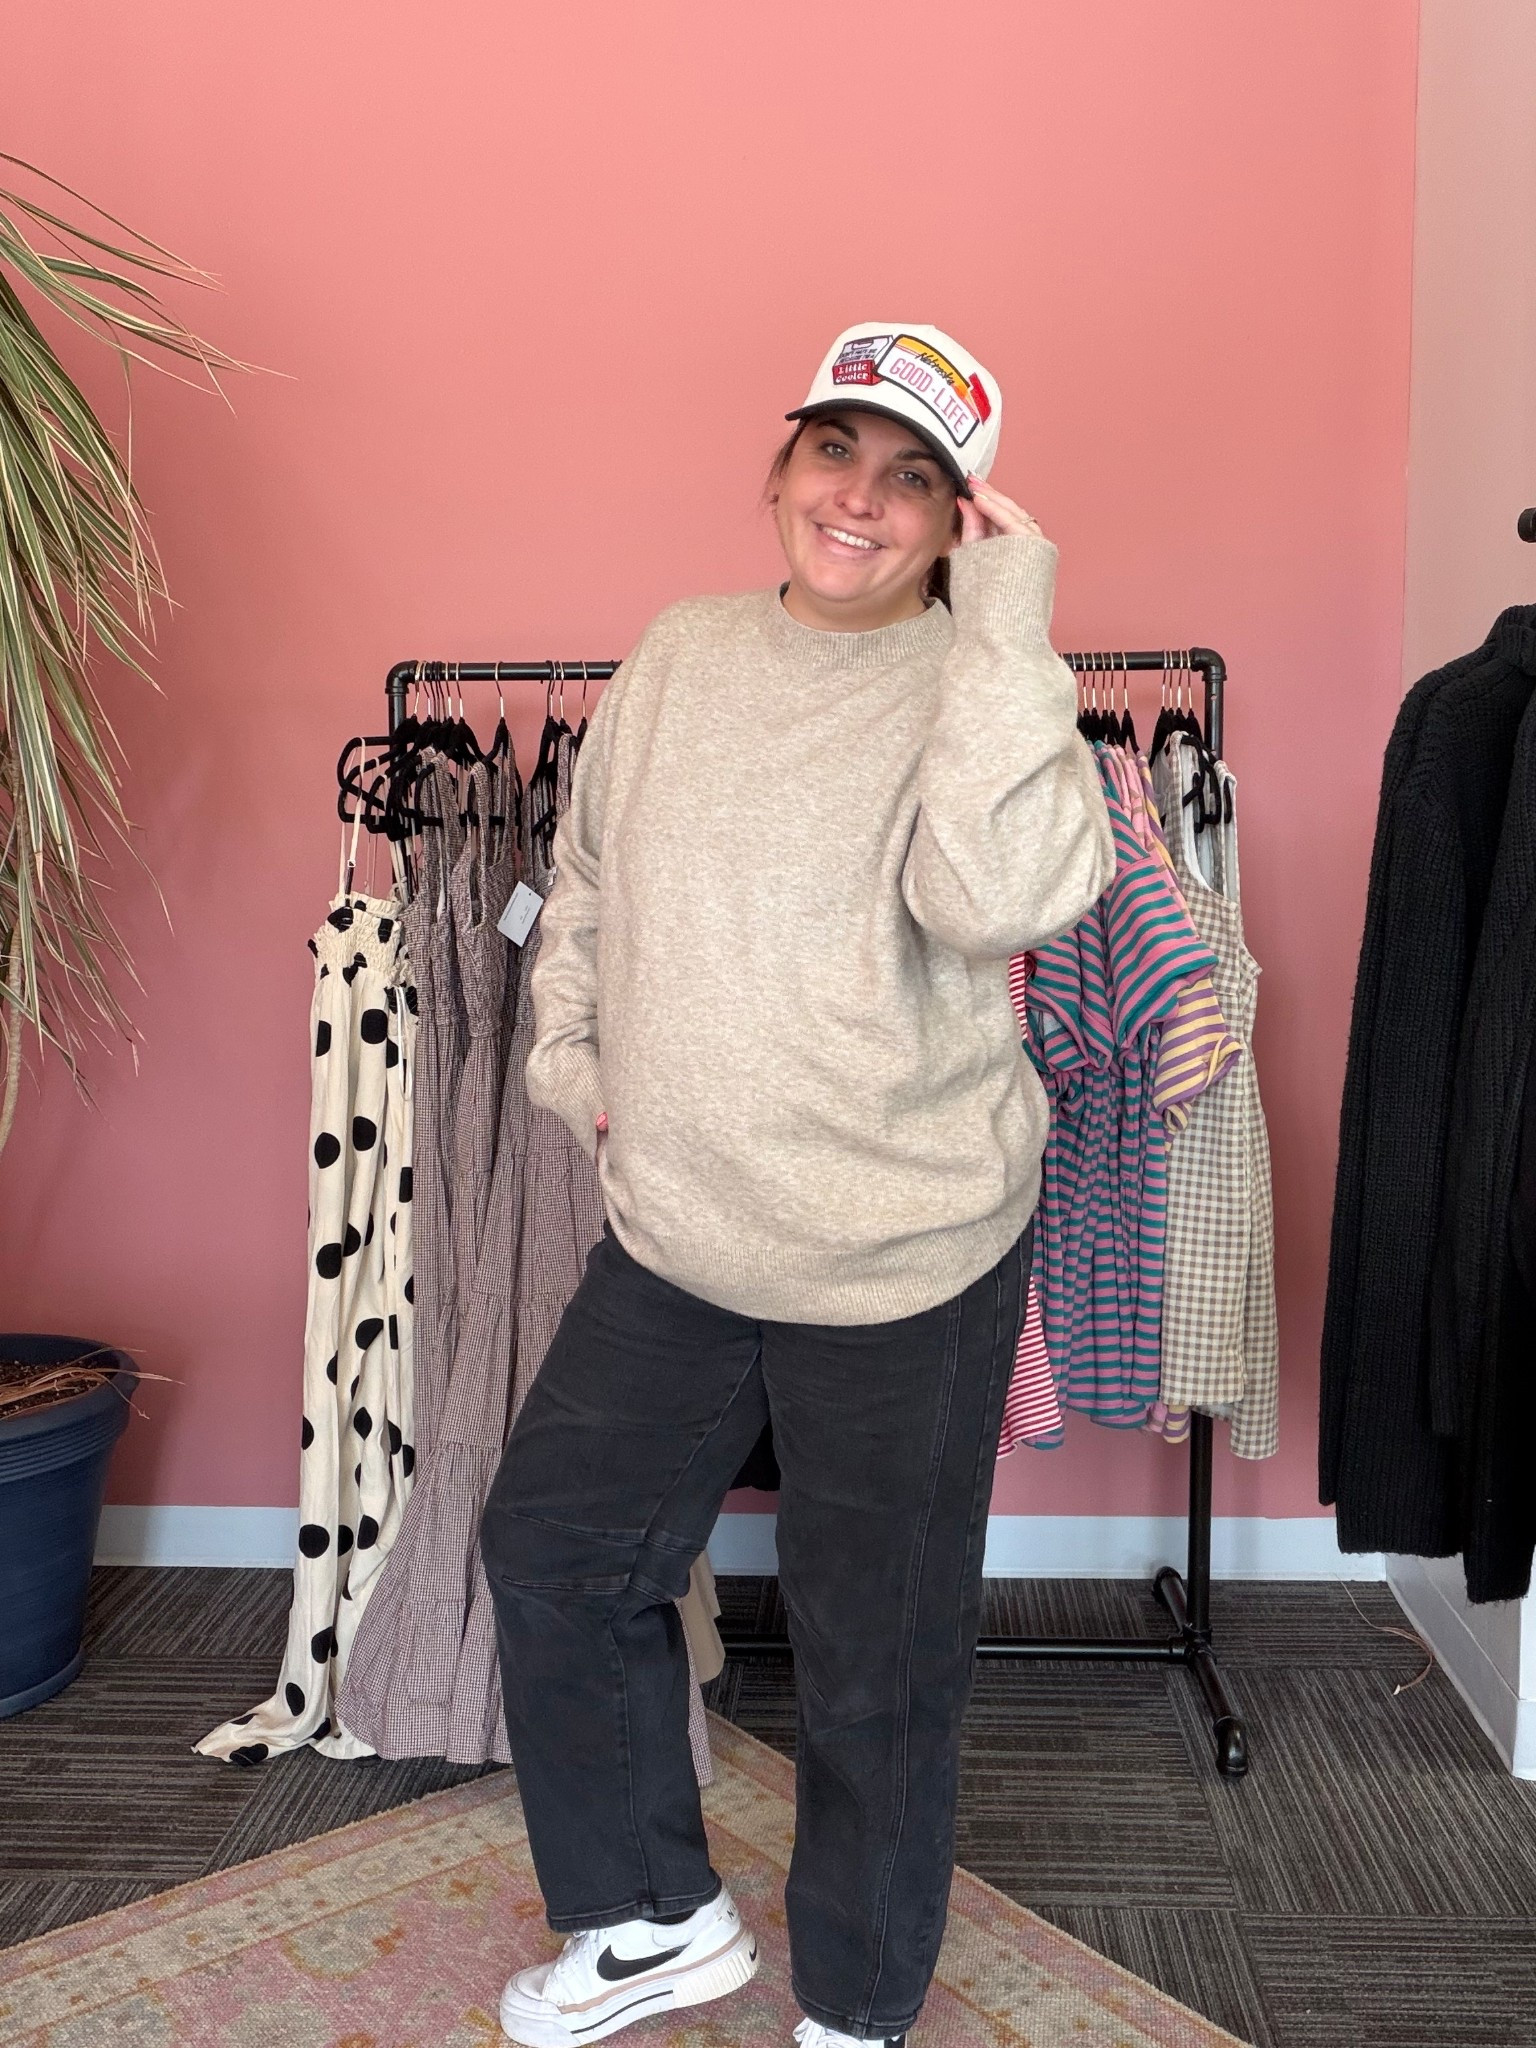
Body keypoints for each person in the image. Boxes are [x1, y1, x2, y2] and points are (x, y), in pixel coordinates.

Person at [480, 321, 1114, 2048]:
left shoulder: (993, 687)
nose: (862, 499)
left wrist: (1008, 625)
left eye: (917, 478)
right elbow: (588, 880)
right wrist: (577, 1071)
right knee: (554, 1553)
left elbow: (999, 900)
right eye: (838, 452)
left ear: (958, 523)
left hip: (903, 1250)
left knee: (872, 1662)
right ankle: (651, 1922)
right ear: (779, 471)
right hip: (679, 1230)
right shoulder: (682, 653)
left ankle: (855, 1999)